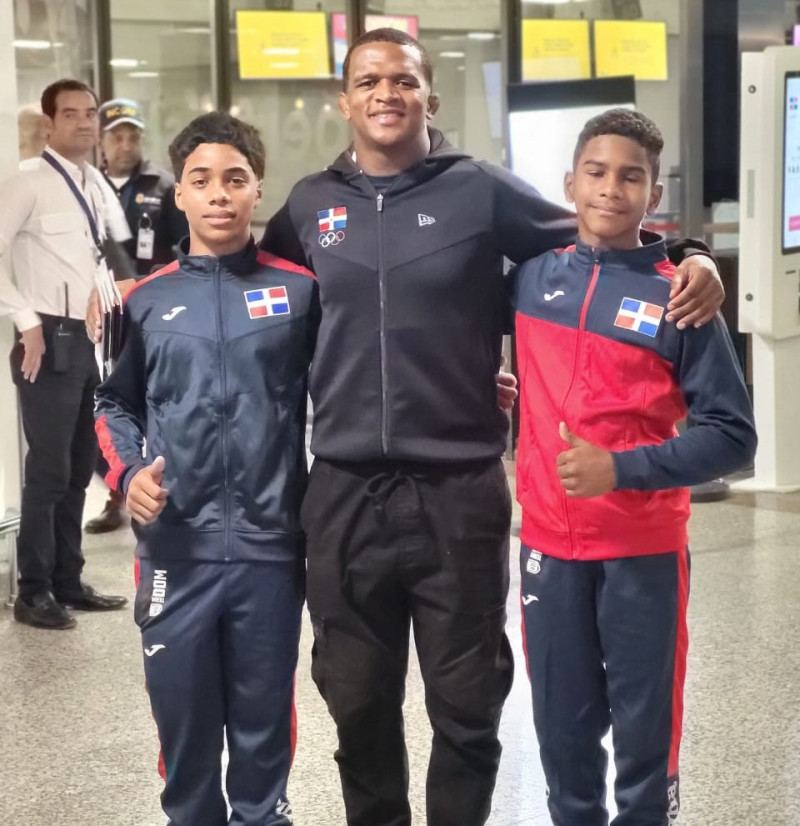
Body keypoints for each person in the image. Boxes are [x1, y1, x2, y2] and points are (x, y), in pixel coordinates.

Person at [258, 28, 726, 826]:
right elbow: (260, 286)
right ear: (344, 99)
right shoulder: (309, 206)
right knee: (357, 699)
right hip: (340, 492)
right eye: (368, 80)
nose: (386, 94)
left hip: (458, 488)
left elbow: (597, 233)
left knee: (467, 703)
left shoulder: (477, 190)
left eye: (403, 80)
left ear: (428, 98)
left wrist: (691, 252)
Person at [508, 108, 757, 826]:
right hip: (548, 551)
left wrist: (621, 470)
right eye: (596, 172)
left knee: (647, 739)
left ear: (653, 194)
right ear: (569, 183)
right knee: (562, 734)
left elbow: (733, 437)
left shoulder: (680, 296)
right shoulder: (529, 280)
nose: (611, 189)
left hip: (642, 553)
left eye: (631, 177)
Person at [94, 112, 317, 826]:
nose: (219, 195)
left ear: (258, 192)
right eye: (202, 181)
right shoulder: (147, 300)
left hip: (269, 549)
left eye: (235, 180)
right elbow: (111, 405)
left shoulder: (301, 293)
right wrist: (129, 478)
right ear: (180, 196)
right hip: (175, 553)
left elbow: (360, 382)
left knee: (261, 731)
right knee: (184, 731)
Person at [0, 78, 129, 630]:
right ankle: (32, 591)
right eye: (70, 113)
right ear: (49, 124)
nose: (84, 122)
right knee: (49, 470)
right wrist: (25, 321)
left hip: (91, 338)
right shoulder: (28, 181)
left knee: (80, 467)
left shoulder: (94, 181)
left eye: (90, 112)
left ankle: (67, 580)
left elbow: (102, 258)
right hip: (47, 339)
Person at [85, 97, 189, 534]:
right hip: (104, 317)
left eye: (133, 136)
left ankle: (150, 486)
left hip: (155, 314)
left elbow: (187, 250)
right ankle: (117, 491)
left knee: (150, 406)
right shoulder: (89, 186)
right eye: (116, 137)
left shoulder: (163, 187)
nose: (125, 145)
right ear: (103, 142)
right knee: (106, 407)